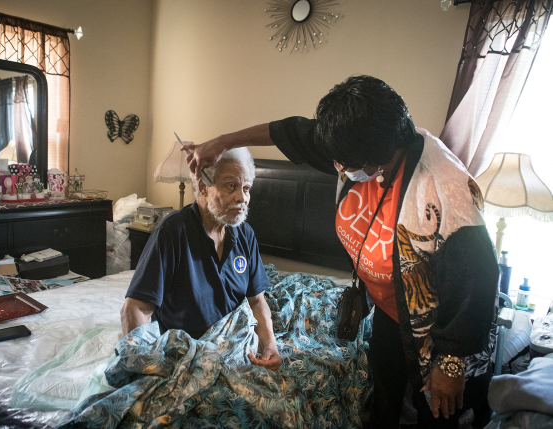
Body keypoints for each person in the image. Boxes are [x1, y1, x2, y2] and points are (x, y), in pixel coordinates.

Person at [183, 75, 498, 428]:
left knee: (437, 413)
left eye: (343, 163)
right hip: (391, 312)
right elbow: (288, 132)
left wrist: (451, 362)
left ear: (376, 158)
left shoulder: (446, 190)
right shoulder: (354, 137)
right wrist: (222, 142)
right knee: (384, 399)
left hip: (441, 327)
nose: (337, 167)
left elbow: (479, 282)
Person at [120, 147, 282, 372]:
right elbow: (135, 308)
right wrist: (145, 367)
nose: (242, 197)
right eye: (231, 186)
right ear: (204, 187)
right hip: (184, 355)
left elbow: (256, 301)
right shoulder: (173, 231)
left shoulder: (245, 234)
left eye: (246, 188)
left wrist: (270, 345)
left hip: (233, 347)